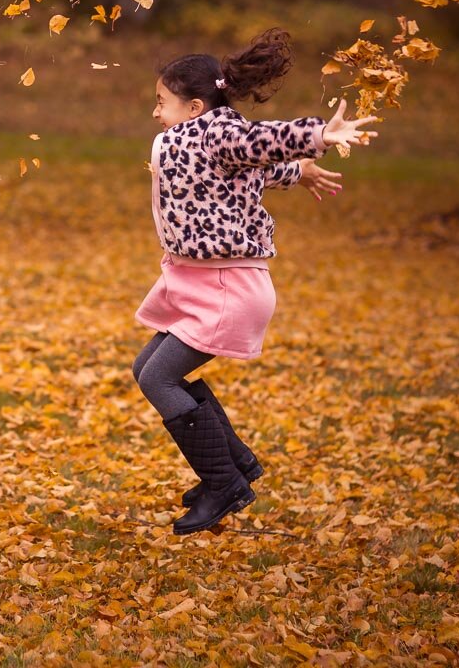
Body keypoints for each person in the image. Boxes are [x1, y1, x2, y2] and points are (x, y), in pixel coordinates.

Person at [131, 28, 376, 534]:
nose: (156, 113)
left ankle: (223, 483)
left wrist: (316, 139)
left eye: (162, 102)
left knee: (158, 379)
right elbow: (251, 170)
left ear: (195, 107)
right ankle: (235, 464)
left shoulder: (217, 132)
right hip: (199, 282)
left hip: (227, 289)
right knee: (147, 368)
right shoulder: (195, 144)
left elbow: (256, 142)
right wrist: (297, 172)